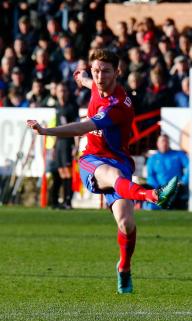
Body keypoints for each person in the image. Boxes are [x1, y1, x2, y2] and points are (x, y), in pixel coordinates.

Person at [26, 48, 179, 294]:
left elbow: (83, 127)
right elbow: (86, 80)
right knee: (112, 176)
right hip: (91, 159)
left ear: (117, 73)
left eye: (105, 71)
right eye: (96, 70)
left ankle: (124, 268)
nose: (99, 76)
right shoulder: (96, 82)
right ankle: (153, 195)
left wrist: (45, 132)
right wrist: (80, 75)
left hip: (118, 159)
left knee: (126, 223)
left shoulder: (118, 105)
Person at [53, 82, 79, 209]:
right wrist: (53, 146)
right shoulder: (57, 106)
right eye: (59, 91)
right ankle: (63, 200)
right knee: (61, 171)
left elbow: (77, 127)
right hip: (59, 142)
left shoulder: (72, 107)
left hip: (68, 142)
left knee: (68, 172)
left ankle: (68, 200)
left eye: (64, 90)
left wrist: (76, 145)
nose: (62, 93)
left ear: (68, 93)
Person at [145, 134, 189, 210]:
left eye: (166, 141)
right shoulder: (152, 159)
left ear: (169, 143)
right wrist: (156, 188)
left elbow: (190, 166)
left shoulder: (178, 155)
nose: (164, 144)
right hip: (160, 189)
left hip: (176, 188)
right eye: (162, 141)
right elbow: (150, 176)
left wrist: (184, 181)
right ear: (157, 144)